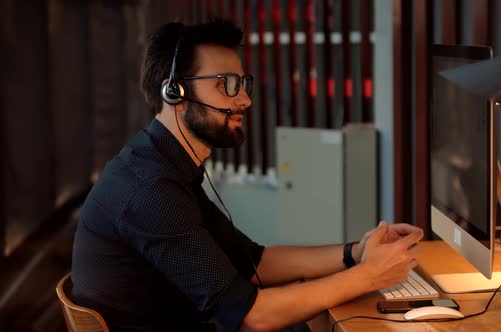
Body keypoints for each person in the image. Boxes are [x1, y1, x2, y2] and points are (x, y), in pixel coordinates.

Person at [71, 18, 424, 332]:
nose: (244, 100)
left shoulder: (165, 165)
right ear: (174, 91)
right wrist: (368, 275)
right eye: (226, 84)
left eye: (242, 83)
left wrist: (354, 253)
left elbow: (255, 261)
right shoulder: (150, 188)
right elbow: (250, 316)